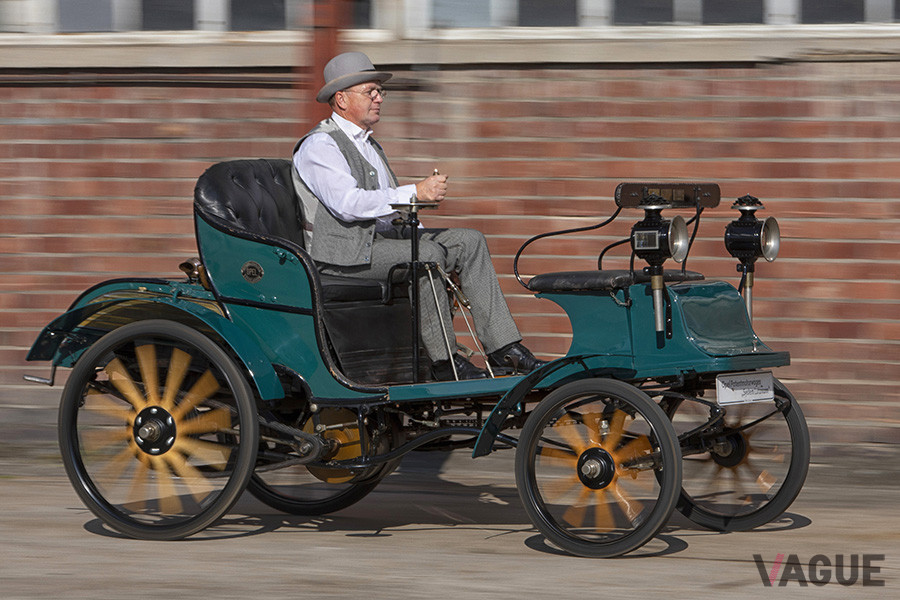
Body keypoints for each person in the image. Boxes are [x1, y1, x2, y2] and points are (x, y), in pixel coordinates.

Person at [292, 51, 545, 380]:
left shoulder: (370, 146)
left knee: (469, 241)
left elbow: (393, 213)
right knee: (424, 254)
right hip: (341, 253)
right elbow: (348, 204)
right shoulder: (320, 146)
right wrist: (415, 193)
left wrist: (418, 223)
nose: (379, 98)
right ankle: (444, 362)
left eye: (379, 91)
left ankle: (503, 350)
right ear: (341, 99)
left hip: (379, 244)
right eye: (370, 91)